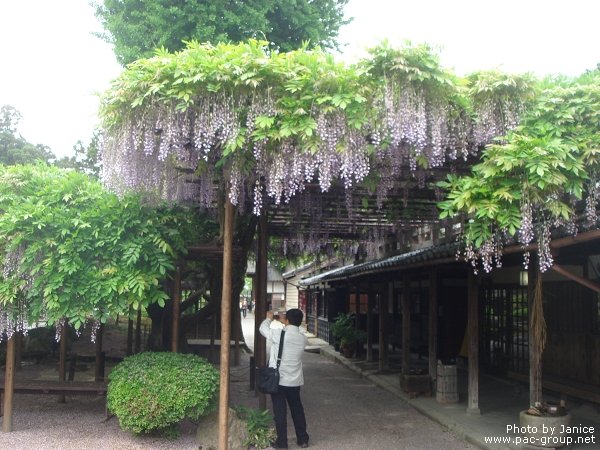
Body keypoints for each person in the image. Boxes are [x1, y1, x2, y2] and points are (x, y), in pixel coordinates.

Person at [259, 308, 310, 449]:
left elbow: (262, 329)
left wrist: (269, 318)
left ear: (287, 320)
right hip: (295, 381)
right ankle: (303, 439)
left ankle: (282, 443)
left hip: (279, 381)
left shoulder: (278, 334)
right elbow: (292, 330)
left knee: (280, 412)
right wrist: (286, 322)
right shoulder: (302, 338)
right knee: (297, 409)